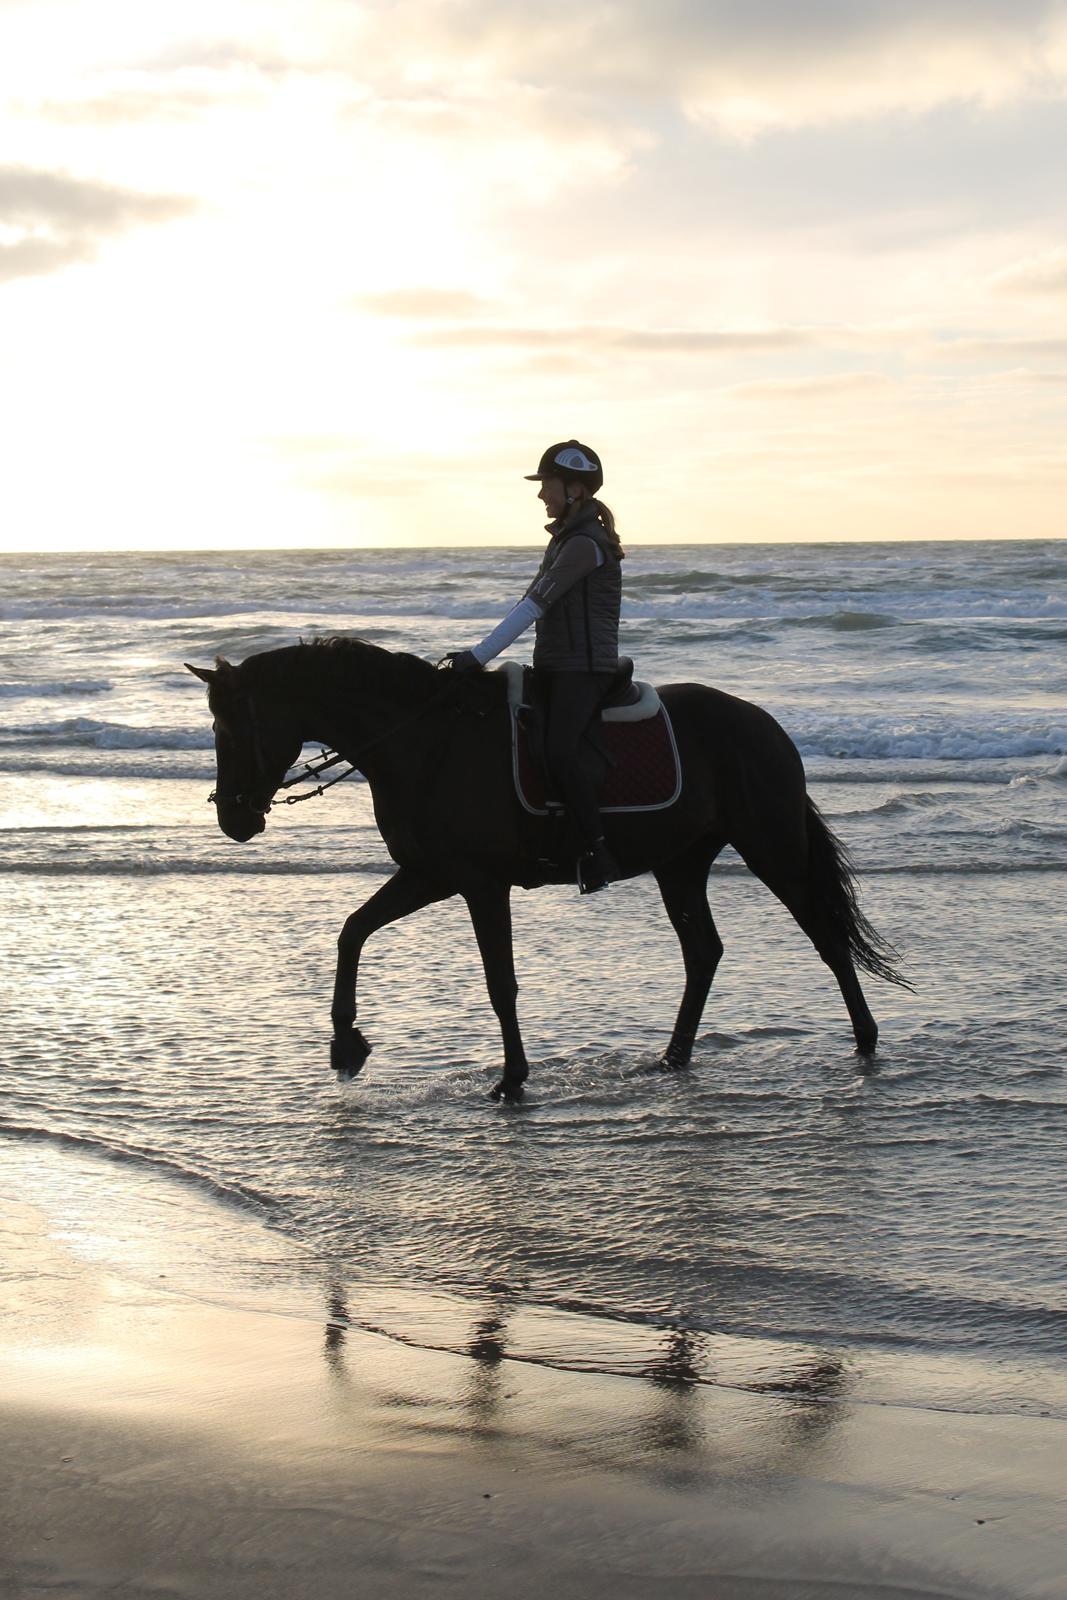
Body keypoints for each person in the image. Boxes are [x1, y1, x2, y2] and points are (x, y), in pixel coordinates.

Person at [440, 440, 625, 894]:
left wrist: (477, 657)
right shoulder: (565, 540)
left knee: (560, 749)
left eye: (548, 485)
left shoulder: (585, 544)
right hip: (557, 666)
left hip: (585, 671)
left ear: (576, 490)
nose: (541, 495)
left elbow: (533, 607)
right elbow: (528, 602)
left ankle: (596, 850)